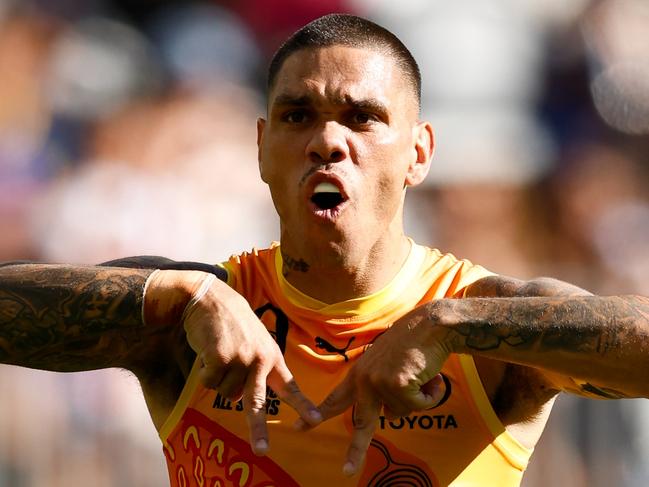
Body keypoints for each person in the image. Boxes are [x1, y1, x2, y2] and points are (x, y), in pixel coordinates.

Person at [1, 13, 648, 487]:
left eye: (362, 117)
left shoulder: (483, 320)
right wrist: (183, 293)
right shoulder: (195, 317)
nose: (327, 141)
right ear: (259, 148)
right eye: (296, 115)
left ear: (418, 152)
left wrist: (449, 323)